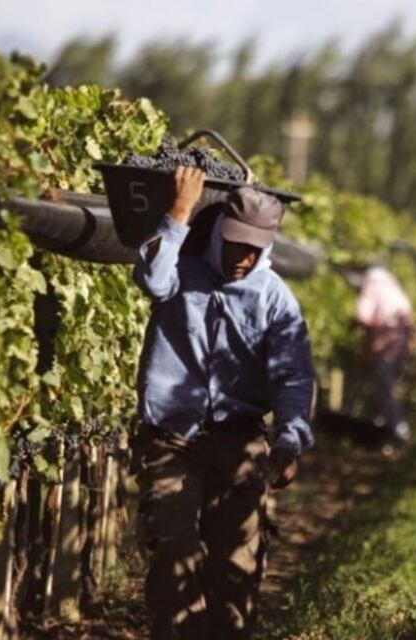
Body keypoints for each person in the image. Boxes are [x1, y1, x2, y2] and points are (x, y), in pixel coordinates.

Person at [131, 166, 316, 639]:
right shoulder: (181, 271)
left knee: (235, 565)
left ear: (268, 245)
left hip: (240, 440)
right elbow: (150, 279)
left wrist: (290, 438)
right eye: (235, 244)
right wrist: (179, 211)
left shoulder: (276, 300)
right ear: (217, 234)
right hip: (173, 438)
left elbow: (293, 375)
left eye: (254, 249)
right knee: (174, 551)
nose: (242, 257)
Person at [354, 265, 415, 448]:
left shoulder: (372, 287)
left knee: (384, 390)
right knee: (387, 389)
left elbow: (363, 316)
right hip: (399, 347)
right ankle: (386, 433)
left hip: (385, 348)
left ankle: (399, 432)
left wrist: (357, 329)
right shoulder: (394, 289)